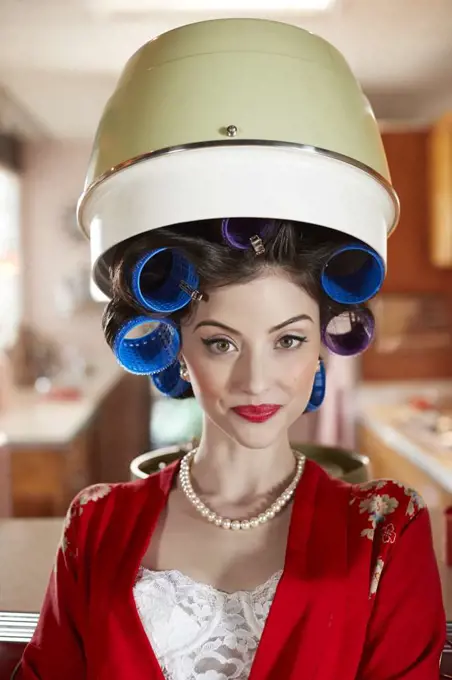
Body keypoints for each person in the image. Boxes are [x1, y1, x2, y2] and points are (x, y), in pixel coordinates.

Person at [14, 17, 445, 680]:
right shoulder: (95, 526)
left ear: (322, 347)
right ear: (174, 346)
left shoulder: (388, 531)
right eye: (220, 342)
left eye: (289, 340)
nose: (256, 380)